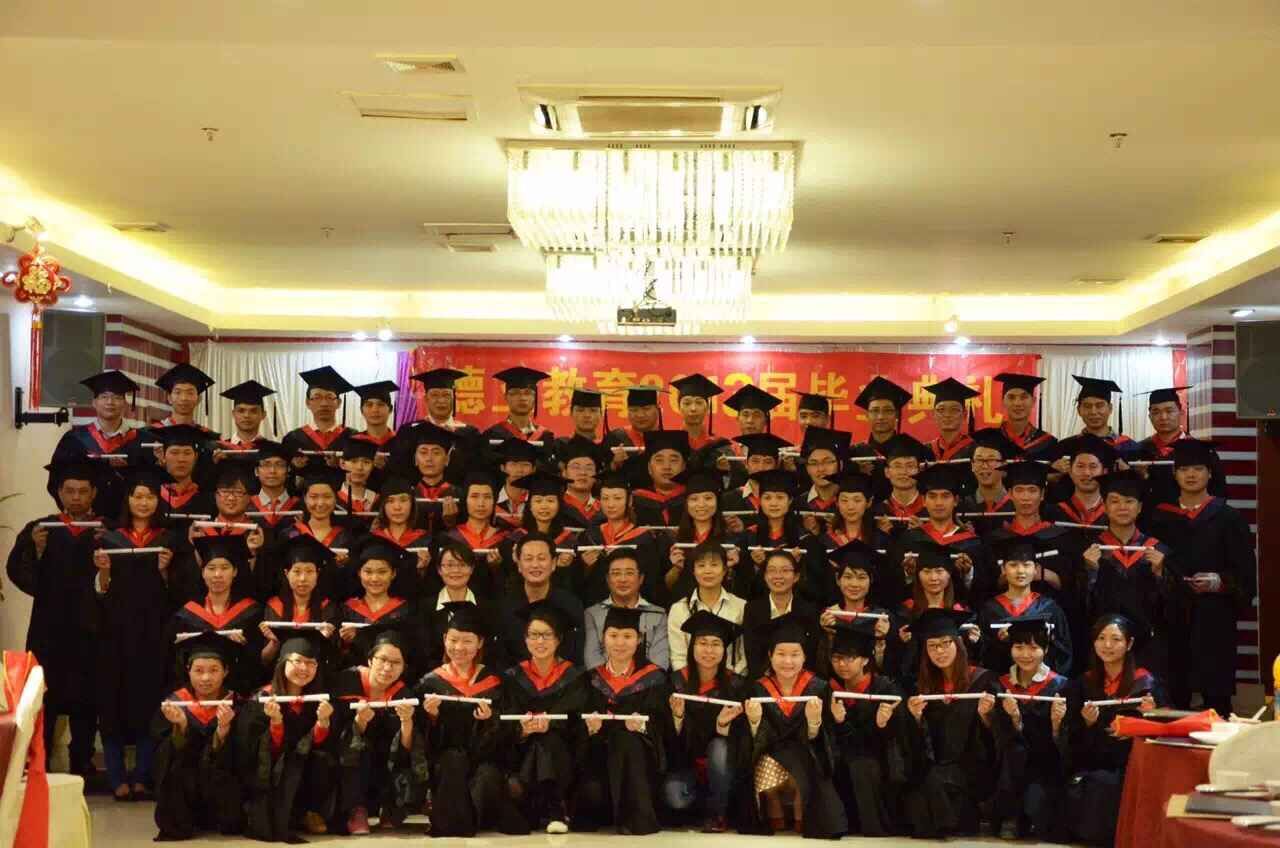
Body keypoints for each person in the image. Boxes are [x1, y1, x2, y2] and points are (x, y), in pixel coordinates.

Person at [91, 467, 182, 801]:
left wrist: (164, 572)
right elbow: (99, 593)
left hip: (153, 633)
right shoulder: (108, 539)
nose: (144, 502)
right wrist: (104, 572)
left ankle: (143, 775)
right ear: (127, 500)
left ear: (158, 500)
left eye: (150, 496)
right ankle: (117, 777)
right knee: (111, 701)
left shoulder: (169, 540)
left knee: (149, 700)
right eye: (137, 496)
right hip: (114, 633)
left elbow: (178, 593)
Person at [7, 460, 102, 776]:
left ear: (94, 493)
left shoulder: (105, 530)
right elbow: (19, 573)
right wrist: (36, 551)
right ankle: (39, 761)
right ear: (59, 492)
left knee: (88, 697)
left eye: (83, 491)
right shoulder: (42, 529)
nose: (76, 497)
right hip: (49, 629)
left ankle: (82, 762)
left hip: (91, 628)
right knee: (44, 695)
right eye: (69, 491)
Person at [1147, 438, 1255, 714]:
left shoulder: (1228, 517)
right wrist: (1163, 575)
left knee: (1216, 698)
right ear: (1175, 474)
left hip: (1214, 616)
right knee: (1175, 692)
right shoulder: (1160, 518)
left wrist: (1220, 582)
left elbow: (1246, 572)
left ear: (1209, 473)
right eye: (1184, 470)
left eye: (1198, 469)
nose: (1191, 475)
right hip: (1172, 615)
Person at [415, 603, 526, 836]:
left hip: (486, 758)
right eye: (453, 640)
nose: (459, 647)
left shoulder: (497, 681)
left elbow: (510, 732)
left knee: (487, 775)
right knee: (452, 760)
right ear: (444, 639)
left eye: (467, 641)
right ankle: (456, 824)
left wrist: (491, 719)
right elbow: (422, 740)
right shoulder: (430, 683)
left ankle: (472, 818)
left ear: (480, 643)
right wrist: (432, 716)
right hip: (447, 763)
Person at [900, 608, 1004, 839]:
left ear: (959, 643)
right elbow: (916, 745)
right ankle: (955, 821)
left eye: (946, 643)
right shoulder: (921, 687)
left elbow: (995, 741)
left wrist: (987, 717)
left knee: (929, 786)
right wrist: (916, 718)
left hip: (971, 769)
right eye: (932, 646)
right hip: (935, 767)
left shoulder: (983, 681)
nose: (940, 651)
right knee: (918, 792)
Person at [743, 613, 847, 838]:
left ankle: (804, 814)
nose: (788, 661)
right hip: (771, 753)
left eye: (795, 654)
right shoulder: (757, 688)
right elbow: (752, 740)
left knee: (805, 761)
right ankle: (773, 811)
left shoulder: (818, 688)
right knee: (767, 760)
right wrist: (754, 721)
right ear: (770, 656)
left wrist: (814, 722)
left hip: (806, 753)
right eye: (781, 654)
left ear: (804, 656)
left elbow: (823, 741)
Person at [1064, 613, 1163, 846]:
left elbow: (1163, 729)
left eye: (1116, 639)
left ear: (1129, 644)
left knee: (1109, 783)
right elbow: (1072, 735)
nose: (1107, 645)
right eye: (1101, 638)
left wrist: (1151, 714)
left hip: (1131, 762)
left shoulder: (1146, 683)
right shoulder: (1083, 683)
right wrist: (1087, 722)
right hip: (1093, 759)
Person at [576, 605, 669, 835]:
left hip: (640, 762)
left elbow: (662, 723)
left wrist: (644, 726)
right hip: (600, 761)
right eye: (613, 635)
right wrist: (590, 729)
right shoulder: (590, 680)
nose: (620, 643)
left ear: (639, 640)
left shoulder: (654, 678)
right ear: (603, 638)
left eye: (627, 636)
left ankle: (637, 818)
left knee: (628, 740)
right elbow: (576, 726)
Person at [237, 631, 338, 841]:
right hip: (271, 773)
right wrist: (275, 723)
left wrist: (323, 723)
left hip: (303, 771)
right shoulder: (262, 699)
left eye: (311, 663)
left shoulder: (317, 699)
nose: (304, 668)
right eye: (298, 661)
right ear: (283, 662)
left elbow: (318, 745)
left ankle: (308, 812)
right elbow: (252, 751)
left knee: (322, 761)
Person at [500, 602, 588, 834]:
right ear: (525, 639)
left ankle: (541, 809)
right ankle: (555, 810)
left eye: (547, 635)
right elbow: (505, 721)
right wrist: (523, 730)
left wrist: (552, 724)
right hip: (523, 755)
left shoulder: (574, 676)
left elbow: (576, 721)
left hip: (562, 758)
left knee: (547, 740)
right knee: (539, 741)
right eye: (534, 635)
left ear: (559, 639)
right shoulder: (513, 677)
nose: (540, 641)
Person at [152, 631, 244, 840]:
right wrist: (182, 726)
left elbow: (245, 757)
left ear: (226, 671)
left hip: (222, 796)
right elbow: (161, 757)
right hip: (186, 794)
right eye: (199, 670)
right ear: (188, 671)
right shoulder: (175, 704)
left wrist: (222, 732)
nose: (206, 678)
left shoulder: (238, 704)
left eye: (214, 670)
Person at [332, 630, 426, 834]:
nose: (387, 668)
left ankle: (392, 808)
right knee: (358, 748)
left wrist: (407, 721)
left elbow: (406, 749)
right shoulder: (346, 682)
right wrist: (359, 723)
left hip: (385, 760)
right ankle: (356, 810)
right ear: (370, 660)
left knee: (399, 755)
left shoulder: (404, 694)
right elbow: (335, 735)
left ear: (404, 667)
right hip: (352, 760)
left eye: (396, 663)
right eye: (382, 659)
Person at [664, 611, 749, 833]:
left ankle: (718, 813)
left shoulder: (737, 686)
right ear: (692, 647)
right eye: (702, 643)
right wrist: (678, 718)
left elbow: (743, 741)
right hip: (686, 765)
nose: (709, 650)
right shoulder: (675, 683)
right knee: (675, 798)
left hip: (722, 769)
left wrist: (722, 726)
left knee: (720, 747)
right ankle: (701, 808)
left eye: (715, 644)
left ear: (724, 650)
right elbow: (666, 741)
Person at [1083, 470, 1172, 677]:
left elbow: (1174, 610)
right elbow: (1079, 606)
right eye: (1114, 501)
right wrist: (1090, 571)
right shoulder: (1090, 550)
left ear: (1139, 508)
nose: (1122, 507)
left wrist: (1160, 573)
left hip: (1148, 646)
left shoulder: (1157, 550)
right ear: (1105, 507)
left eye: (1129, 501)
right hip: (1103, 645)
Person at [990, 616, 1071, 841]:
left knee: (1038, 804)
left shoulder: (1060, 686)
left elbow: (1067, 745)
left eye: (1034, 647)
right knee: (1014, 752)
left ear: (1046, 649)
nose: (1025, 654)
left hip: (1046, 766)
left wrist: (1057, 724)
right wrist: (1014, 718)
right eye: (1019, 647)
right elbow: (998, 738)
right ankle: (1010, 816)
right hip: (1010, 768)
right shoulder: (1000, 685)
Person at [826, 624, 908, 837]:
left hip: (880, 758)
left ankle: (875, 825)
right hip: (843, 754)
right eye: (837, 658)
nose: (842, 664)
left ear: (864, 660)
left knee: (862, 764)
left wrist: (881, 725)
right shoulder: (830, 691)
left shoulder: (885, 689)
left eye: (850, 658)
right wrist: (839, 722)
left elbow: (898, 737)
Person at [168, 534, 264, 694]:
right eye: (211, 568)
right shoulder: (185, 615)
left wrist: (242, 648)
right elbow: (174, 665)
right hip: (197, 695)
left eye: (225, 568)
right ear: (203, 573)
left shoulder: (252, 613)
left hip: (238, 693)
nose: (218, 575)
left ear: (235, 572)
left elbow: (259, 664)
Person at [889, 464, 991, 609]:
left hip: (959, 616)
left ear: (956, 501)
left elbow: (985, 591)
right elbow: (893, 589)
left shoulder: (972, 543)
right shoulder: (909, 540)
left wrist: (968, 574)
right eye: (932, 496)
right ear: (924, 501)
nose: (938, 503)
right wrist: (908, 574)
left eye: (945, 496)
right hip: (918, 615)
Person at [49, 370, 149, 516]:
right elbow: (56, 481)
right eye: (104, 397)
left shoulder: (141, 440)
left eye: (117, 397)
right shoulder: (74, 439)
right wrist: (76, 513)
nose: (110, 402)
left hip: (127, 521)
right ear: (94, 403)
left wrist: (126, 471)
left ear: (125, 404)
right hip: (85, 520)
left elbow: (149, 484)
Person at [978, 537, 1073, 673]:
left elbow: (1064, 653)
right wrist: (1000, 642)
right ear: (1003, 569)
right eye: (1013, 565)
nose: (1020, 571)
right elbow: (982, 655)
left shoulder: (1050, 608)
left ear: (1036, 569)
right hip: (1002, 680)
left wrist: (1046, 641)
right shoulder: (990, 610)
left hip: (1041, 680)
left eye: (1026, 565)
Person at [496, 531, 585, 666]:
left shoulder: (570, 604)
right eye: (528, 559)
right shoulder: (505, 606)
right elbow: (501, 657)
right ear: (519, 565)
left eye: (541, 558)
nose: (535, 565)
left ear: (553, 563)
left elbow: (575, 654)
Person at [572, 471, 661, 605]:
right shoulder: (589, 536)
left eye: (617, 498)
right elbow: (575, 584)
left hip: (634, 606)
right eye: (605, 498)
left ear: (629, 501)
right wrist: (584, 567)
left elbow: (652, 581)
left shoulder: (644, 538)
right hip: (595, 606)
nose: (610, 504)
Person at [260, 535, 338, 673]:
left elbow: (334, 660)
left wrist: (323, 640)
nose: (303, 578)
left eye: (309, 571)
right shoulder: (274, 606)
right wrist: (274, 642)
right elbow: (265, 660)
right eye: (296, 571)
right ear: (286, 573)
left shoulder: (328, 608)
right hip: (281, 675)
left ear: (318, 573)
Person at [660, 469, 741, 603]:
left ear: (717, 501)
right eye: (694, 499)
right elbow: (663, 588)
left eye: (708, 498)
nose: (701, 504)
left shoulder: (732, 539)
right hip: (683, 606)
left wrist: (730, 568)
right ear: (686, 503)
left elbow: (743, 589)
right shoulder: (672, 539)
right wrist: (677, 568)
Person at [668, 541, 748, 674]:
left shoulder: (741, 606)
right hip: (691, 682)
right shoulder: (679, 609)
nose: (708, 571)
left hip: (733, 681)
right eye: (701, 565)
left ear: (725, 570)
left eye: (714, 565)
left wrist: (733, 680)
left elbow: (744, 656)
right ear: (693, 571)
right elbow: (678, 658)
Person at [583, 549, 670, 669]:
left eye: (629, 573)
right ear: (607, 579)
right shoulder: (592, 613)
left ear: (641, 578)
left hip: (649, 679)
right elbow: (592, 660)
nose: (623, 579)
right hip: (603, 679)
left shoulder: (658, 614)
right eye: (616, 573)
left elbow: (660, 661)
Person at [338, 541, 419, 668]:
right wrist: (344, 642)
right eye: (368, 572)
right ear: (359, 573)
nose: (375, 578)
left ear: (393, 574)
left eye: (382, 572)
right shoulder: (346, 609)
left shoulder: (406, 609)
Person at [816, 541, 893, 676]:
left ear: (871, 580)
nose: (854, 584)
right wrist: (827, 636)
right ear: (838, 579)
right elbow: (820, 668)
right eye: (848, 577)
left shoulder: (882, 618)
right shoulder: (827, 616)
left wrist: (881, 641)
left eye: (861, 577)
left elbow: (887, 671)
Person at [284, 466, 360, 600]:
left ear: (336, 499)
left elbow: (354, 584)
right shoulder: (290, 534)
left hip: (334, 604)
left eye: (327, 497)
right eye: (313, 497)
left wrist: (344, 567)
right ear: (305, 499)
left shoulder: (347, 538)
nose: (320, 503)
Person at [742, 550, 820, 678]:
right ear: (765, 576)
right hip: (763, 681)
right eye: (772, 570)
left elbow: (811, 654)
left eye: (785, 570)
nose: (778, 576)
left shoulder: (809, 611)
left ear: (796, 576)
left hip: (800, 680)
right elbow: (751, 653)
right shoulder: (753, 609)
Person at [739, 468, 813, 602]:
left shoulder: (804, 538)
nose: (773, 503)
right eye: (767, 497)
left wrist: (796, 566)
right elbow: (742, 589)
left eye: (780, 497)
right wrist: (757, 566)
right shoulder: (748, 537)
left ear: (790, 500)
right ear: (760, 501)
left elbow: (814, 589)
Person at [439, 471, 510, 598]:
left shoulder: (506, 539)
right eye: (474, 496)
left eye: (487, 497)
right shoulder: (449, 538)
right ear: (465, 500)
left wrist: (497, 569)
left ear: (494, 501)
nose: (481, 504)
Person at [281, 366, 355, 477]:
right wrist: (294, 466)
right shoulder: (293, 438)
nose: (324, 403)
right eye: (317, 397)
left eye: (329, 397)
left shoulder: (352, 437)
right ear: (308, 403)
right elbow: (283, 474)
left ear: (339, 403)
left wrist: (342, 465)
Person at [482, 366, 555, 457]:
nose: (522, 398)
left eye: (528, 393)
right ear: (506, 397)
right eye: (515, 393)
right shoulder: (491, 435)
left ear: (535, 398)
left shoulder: (546, 436)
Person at [402, 422, 460, 535]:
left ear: (447, 460)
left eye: (436, 453)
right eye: (423, 452)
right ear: (415, 459)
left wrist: (451, 523)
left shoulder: (459, 495)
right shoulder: (406, 495)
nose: (429, 458)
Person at [795, 427, 851, 537]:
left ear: (840, 465)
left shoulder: (852, 503)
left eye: (828, 462)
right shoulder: (797, 505)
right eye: (813, 463)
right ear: (807, 468)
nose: (820, 469)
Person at [632, 429, 691, 527]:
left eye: (673, 460)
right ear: (649, 468)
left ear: (684, 467)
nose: (666, 467)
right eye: (659, 460)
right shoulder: (635, 501)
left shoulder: (694, 499)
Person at [993, 373, 1058, 461]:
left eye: (1024, 397)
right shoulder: (989, 441)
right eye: (1011, 397)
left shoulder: (1048, 443)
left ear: (1033, 401)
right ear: (1003, 401)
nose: (1017, 403)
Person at [871, 434, 929, 532]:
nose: (903, 472)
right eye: (897, 466)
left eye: (910, 466)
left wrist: (925, 533)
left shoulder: (932, 509)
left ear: (919, 470)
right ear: (887, 472)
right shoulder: (877, 513)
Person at [670, 373, 727, 461]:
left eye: (699, 403)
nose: (693, 408)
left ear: (707, 408)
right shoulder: (671, 444)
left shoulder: (721, 445)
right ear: (678, 407)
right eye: (687, 403)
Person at [604, 385, 664, 466]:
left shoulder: (669, 439)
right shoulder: (615, 438)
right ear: (628, 411)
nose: (640, 415)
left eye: (646, 409)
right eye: (634, 410)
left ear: (658, 409)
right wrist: (614, 465)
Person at [923, 377, 979, 463]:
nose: (947, 415)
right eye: (941, 409)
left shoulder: (976, 450)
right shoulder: (924, 450)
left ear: (964, 414)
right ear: (933, 414)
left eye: (954, 410)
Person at [247, 441, 301, 530]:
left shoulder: (300, 507)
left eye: (279, 465)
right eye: (266, 465)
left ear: (288, 470)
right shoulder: (246, 506)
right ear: (256, 471)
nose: (272, 471)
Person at [214, 379, 276, 455]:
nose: (247, 415)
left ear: (263, 415)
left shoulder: (275, 451)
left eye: (253, 411)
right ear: (233, 414)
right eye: (241, 411)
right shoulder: (219, 449)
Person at [559, 435, 606, 528]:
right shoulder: (555, 508)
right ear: (564, 472)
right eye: (576, 467)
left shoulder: (606, 510)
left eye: (589, 468)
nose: (583, 473)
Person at [153, 363, 217, 430]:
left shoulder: (205, 435)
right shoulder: (152, 433)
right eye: (178, 392)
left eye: (190, 393)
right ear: (169, 398)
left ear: (198, 399)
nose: (184, 398)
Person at [493, 438, 538, 529]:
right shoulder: (491, 500)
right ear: (502, 468)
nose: (519, 470)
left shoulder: (540, 503)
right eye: (513, 464)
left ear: (534, 469)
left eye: (525, 465)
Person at [335, 439, 379, 526]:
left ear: (372, 466)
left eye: (366, 462)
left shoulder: (379, 502)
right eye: (354, 461)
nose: (360, 467)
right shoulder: (333, 501)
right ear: (342, 463)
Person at [349, 380, 400, 456]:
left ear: (390, 409)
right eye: (369, 405)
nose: (375, 410)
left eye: (381, 404)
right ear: (361, 410)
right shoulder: (352, 443)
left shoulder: (401, 442)